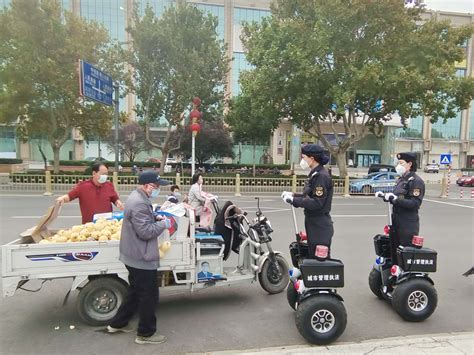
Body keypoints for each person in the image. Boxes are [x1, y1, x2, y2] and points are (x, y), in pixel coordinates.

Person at [107, 170, 172, 345]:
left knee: (136, 292)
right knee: (149, 295)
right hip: (141, 257)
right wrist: (163, 223)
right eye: (156, 186)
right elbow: (145, 232)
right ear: (146, 186)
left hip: (132, 255)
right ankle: (145, 333)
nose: (158, 189)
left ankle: (117, 324)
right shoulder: (139, 203)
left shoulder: (137, 197)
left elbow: (142, 220)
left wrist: (154, 216)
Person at [282, 144, 334, 258]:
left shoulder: (321, 176)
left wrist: (294, 200)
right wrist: (293, 195)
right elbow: (308, 195)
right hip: (314, 223)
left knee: (319, 263)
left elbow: (317, 203)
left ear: (312, 158)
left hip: (320, 226)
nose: (302, 160)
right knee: (312, 259)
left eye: (303, 157)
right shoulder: (315, 174)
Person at [56, 162, 124, 224]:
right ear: (94, 173)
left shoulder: (109, 185)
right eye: (103, 174)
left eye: (106, 174)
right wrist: (62, 198)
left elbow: (114, 199)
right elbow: (69, 196)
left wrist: (118, 202)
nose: (105, 176)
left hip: (106, 224)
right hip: (89, 226)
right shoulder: (83, 186)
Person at [385, 152, 425, 248]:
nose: (398, 166)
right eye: (398, 163)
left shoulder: (416, 181)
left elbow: (415, 203)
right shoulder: (401, 180)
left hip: (407, 224)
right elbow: (398, 197)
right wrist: (386, 197)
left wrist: (396, 200)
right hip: (396, 221)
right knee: (394, 253)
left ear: (409, 164)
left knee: (404, 254)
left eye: (401, 163)